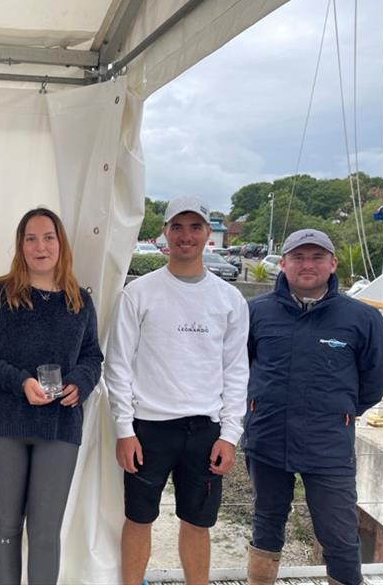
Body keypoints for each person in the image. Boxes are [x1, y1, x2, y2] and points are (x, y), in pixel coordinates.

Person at [105, 195, 249, 585]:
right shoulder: (139, 293)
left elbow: (236, 372)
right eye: (178, 227)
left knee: (198, 522)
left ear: (208, 236)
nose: (187, 236)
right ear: (164, 234)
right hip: (149, 428)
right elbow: (117, 365)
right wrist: (124, 429)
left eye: (196, 227)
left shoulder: (230, 299)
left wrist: (231, 436)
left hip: (205, 430)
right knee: (138, 518)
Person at [0, 207, 103, 585]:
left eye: (48, 237)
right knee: (7, 524)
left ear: (61, 244)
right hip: (5, 424)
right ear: (20, 246)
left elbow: (93, 356)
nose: (40, 246)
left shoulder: (79, 302)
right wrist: (19, 381)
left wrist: (80, 382)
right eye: (31, 238)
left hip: (59, 426)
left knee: (45, 531)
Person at [245, 228, 383, 585]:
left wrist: (338, 414)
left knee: (339, 536)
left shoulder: (363, 318)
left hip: (329, 446)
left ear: (333, 263)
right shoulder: (255, 313)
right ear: (283, 264)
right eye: (298, 256)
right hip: (267, 438)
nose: (307, 264)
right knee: (266, 526)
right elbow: (238, 370)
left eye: (317, 256)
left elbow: (373, 382)